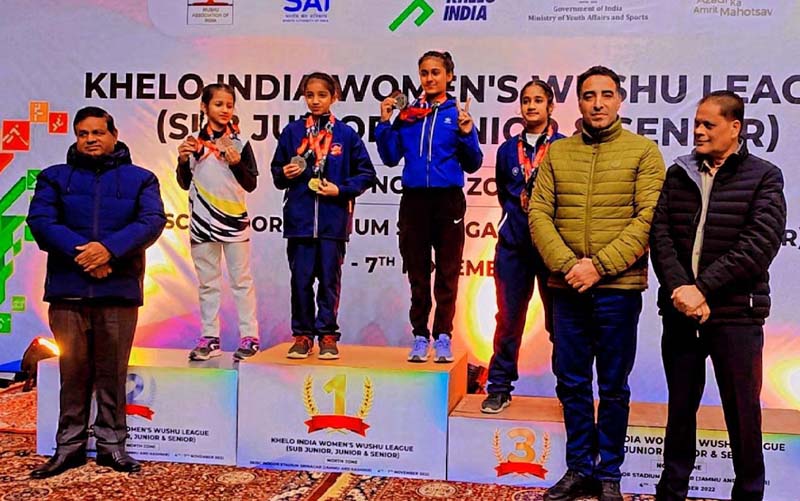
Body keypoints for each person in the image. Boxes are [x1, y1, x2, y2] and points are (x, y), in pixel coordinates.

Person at [528, 66, 665, 501]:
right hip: (567, 288)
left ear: (620, 99)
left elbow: (647, 220)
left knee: (613, 386)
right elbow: (538, 213)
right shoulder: (558, 153)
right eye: (589, 95)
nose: (598, 103)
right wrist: (570, 266)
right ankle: (579, 469)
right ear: (579, 102)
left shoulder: (644, 152)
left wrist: (599, 267)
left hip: (618, 290)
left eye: (606, 94)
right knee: (571, 382)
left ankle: (610, 474)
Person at [651, 91, 786, 501]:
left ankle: (748, 494)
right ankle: (671, 493)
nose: (698, 131)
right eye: (696, 123)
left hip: (736, 317)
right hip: (680, 312)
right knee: (680, 412)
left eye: (708, 124)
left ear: (734, 128)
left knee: (743, 415)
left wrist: (703, 289)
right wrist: (681, 290)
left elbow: (758, 244)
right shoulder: (679, 173)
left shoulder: (764, 176)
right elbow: (661, 236)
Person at [27, 106, 166, 478]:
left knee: (112, 374)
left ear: (114, 135)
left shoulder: (141, 179)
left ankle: (112, 447)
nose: (91, 139)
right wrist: (87, 256)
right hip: (68, 293)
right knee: (72, 374)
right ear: (76, 137)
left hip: (118, 292)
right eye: (83, 133)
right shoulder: (54, 177)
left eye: (98, 132)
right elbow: (41, 222)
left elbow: (151, 221)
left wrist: (109, 251)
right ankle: (68, 449)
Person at [376, 50, 483, 363]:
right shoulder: (409, 115)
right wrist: (384, 123)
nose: (430, 78)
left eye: (436, 72)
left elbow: (473, 163)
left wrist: (467, 133)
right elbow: (390, 157)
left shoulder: (456, 113)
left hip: (447, 200)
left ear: (449, 76)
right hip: (414, 201)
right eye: (424, 72)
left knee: (447, 274)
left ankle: (444, 336)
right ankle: (421, 336)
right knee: (418, 274)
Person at [271, 72, 376, 360]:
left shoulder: (346, 135)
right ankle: (303, 336)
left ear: (334, 97)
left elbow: (367, 174)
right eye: (310, 95)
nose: (315, 101)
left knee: (329, 282)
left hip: (333, 222)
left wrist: (340, 190)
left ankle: (328, 335)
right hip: (300, 222)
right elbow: (277, 173)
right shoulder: (293, 132)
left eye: (322, 95)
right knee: (300, 281)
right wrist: (285, 173)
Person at [481, 80, 564, 414]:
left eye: (538, 100)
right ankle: (499, 387)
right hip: (513, 247)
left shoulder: (564, 147)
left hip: (552, 249)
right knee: (508, 319)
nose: (531, 106)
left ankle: (569, 390)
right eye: (526, 100)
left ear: (550, 106)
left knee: (560, 323)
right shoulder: (506, 150)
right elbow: (505, 193)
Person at [176, 83, 260, 362]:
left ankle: (249, 337)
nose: (224, 110)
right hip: (201, 222)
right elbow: (184, 182)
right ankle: (209, 338)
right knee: (208, 283)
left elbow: (250, 184)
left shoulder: (240, 142)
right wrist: (182, 160)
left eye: (229, 105)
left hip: (234, 222)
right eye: (218, 104)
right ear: (204, 107)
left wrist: (236, 162)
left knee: (241, 281)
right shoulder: (193, 144)